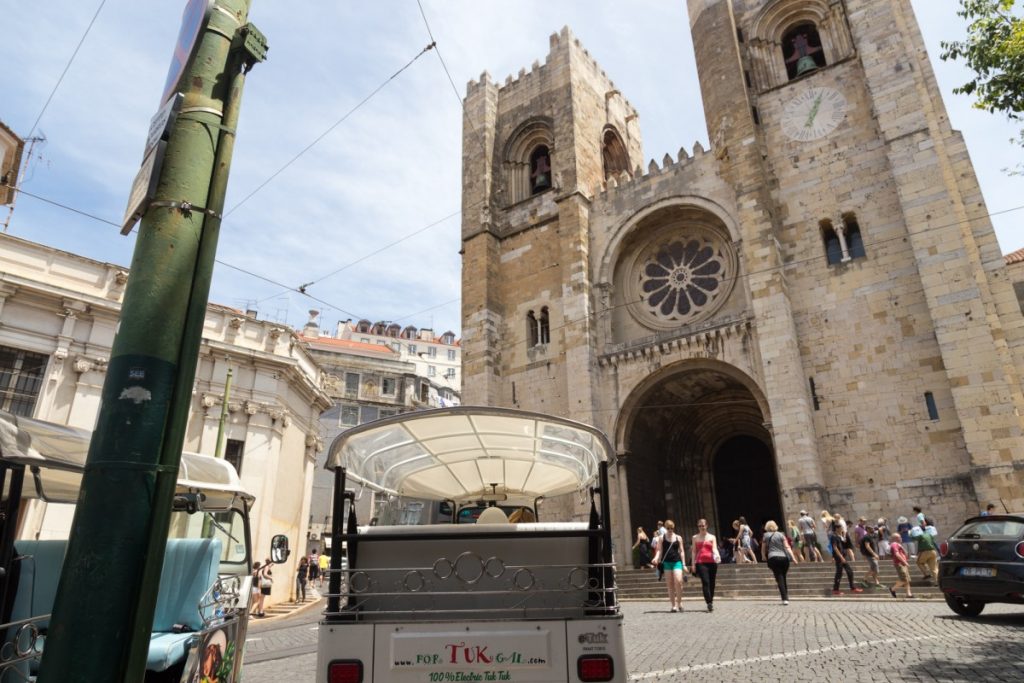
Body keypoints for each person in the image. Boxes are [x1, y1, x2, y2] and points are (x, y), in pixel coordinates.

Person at [652, 519, 686, 612]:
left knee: (679, 581)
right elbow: (659, 550)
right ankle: (673, 605)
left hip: (677, 561)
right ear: (665, 528)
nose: (670, 530)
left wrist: (684, 564)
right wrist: (656, 558)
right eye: (668, 528)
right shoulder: (661, 538)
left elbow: (682, 551)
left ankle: (679, 602)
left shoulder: (678, 537)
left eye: (672, 528)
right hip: (666, 562)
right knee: (670, 584)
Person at [762, 520, 797, 605]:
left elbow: (763, 548)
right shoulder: (781, 534)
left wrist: (763, 556)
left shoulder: (765, 535)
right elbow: (787, 546)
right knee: (783, 577)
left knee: (779, 578)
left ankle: (784, 598)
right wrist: (793, 558)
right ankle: (786, 596)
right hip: (784, 558)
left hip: (773, 557)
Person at [690, 518, 721, 612]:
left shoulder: (712, 537)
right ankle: (709, 602)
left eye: (703, 525)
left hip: (712, 562)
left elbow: (714, 548)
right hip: (700, 562)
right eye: (699, 526)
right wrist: (693, 564)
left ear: (706, 526)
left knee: (712, 583)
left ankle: (710, 600)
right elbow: (694, 551)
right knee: (705, 582)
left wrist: (717, 555)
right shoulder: (695, 537)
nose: (701, 527)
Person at [830, 524, 863, 596]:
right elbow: (835, 548)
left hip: (842, 557)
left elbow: (843, 545)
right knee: (839, 573)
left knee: (849, 571)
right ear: (837, 529)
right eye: (841, 528)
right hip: (839, 557)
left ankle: (852, 588)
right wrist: (840, 557)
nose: (842, 529)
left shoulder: (840, 537)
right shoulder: (834, 537)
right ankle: (835, 590)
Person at [911, 518, 939, 583]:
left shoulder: (920, 535)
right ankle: (937, 582)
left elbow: (913, 539)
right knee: (934, 568)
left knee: (919, 563)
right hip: (933, 552)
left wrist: (911, 533)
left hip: (925, 552)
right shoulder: (930, 535)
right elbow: (934, 543)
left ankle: (926, 574)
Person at [888, 533, 914, 599]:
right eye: (900, 537)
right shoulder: (894, 544)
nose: (901, 538)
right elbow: (897, 554)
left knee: (907, 579)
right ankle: (893, 589)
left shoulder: (898, 545)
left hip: (902, 564)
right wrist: (905, 562)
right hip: (900, 564)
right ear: (896, 538)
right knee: (904, 579)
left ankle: (909, 594)